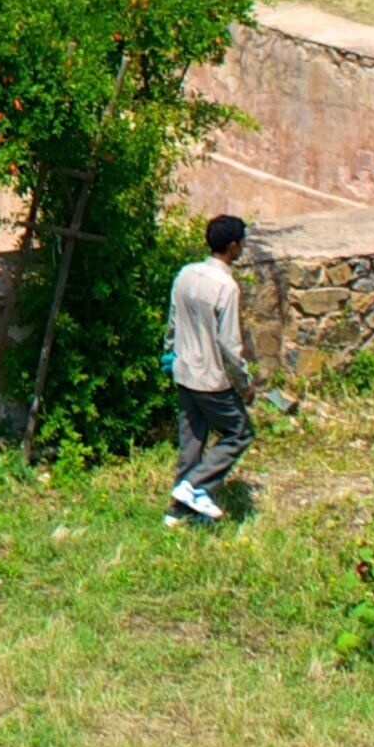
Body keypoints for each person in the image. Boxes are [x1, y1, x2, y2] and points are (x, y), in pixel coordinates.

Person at [165, 214, 252, 525]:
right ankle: (194, 487)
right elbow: (230, 345)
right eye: (242, 242)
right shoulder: (226, 287)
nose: (243, 247)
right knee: (239, 433)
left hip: (183, 370)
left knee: (192, 441)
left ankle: (178, 513)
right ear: (232, 246)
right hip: (210, 379)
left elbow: (173, 322)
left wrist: (169, 356)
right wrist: (244, 382)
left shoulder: (186, 274)